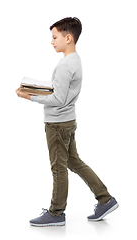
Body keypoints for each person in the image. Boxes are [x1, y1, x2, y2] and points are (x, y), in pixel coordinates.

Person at [16, 17, 119, 227]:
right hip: (68, 121)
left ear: (68, 38)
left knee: (58, 168)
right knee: (73, 161)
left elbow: (57, 99)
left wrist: (28, 96)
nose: (51, 42)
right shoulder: (75, 60)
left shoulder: (65, 65)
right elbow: (61, 92)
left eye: (55, 37)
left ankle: (56, 213)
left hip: (57, 125)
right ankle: (105, 199)